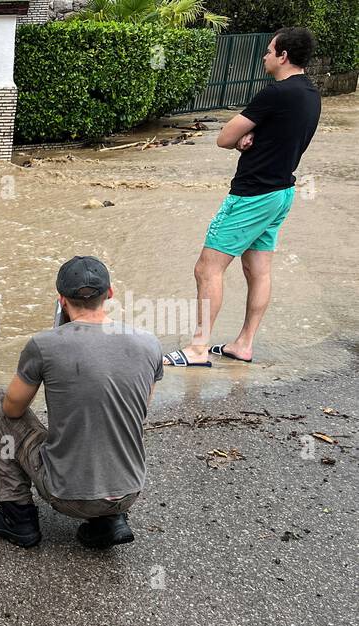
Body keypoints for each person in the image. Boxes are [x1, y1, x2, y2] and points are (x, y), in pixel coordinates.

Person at [0, 257, 164, 550]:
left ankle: (17, 515)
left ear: (61, 299)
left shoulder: (45, 344)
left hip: (68, 496)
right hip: (128, 492)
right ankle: (109, 519)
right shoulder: (149, 343)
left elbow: (11, 409)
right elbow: (139, 410)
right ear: (109, 293)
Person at [165, 26, 322, 369]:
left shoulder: (275, 93)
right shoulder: (311, 94)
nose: (264, 56)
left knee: (207, 268)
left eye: (268, 51)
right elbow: (279, 138)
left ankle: (198, 348)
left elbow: (223, 137)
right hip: (282, 192)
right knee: (258, 269)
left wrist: (240, 139)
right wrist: (249, 139)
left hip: (253, 193)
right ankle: (243, 344)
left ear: (283, 56)